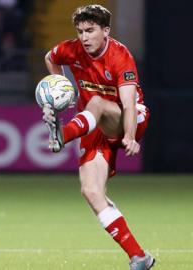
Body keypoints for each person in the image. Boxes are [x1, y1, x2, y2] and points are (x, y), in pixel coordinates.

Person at [41, 5, 155, 270]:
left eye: (90, 30)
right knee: (91, 191)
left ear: (106, 31)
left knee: (97, 102)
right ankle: (139, 257)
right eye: (80, 31)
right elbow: (50, 57)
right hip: (92, 125)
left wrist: (130, 136)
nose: (84, 37)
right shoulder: (72, 49)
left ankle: (62, 134)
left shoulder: (120, 55)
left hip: (128, 119)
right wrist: (62, 88)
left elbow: (127, 103)